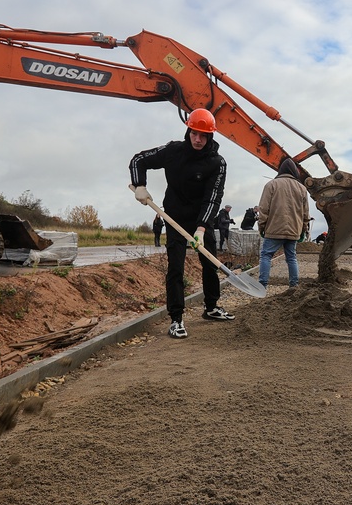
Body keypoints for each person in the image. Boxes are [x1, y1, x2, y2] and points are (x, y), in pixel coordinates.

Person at [129, 107, 235, 339]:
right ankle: (176, 318)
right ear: (188, 131)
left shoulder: (217, 163)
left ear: (210, 136)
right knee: (175, 267)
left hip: (201, 219)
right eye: (194, 133)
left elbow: (213, 197)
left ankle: (211, 307)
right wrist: (140, 185)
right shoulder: (173, 151)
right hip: (174, 216)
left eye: (203, 135)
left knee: (210, 263)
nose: (197, 139)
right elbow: (138, 160)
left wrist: (201, 228)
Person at [258, 158, 309, 289]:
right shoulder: (302, 188)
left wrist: (262, 227)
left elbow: (263, 209)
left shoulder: (271, 185)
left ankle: (262, 286)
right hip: (294, 230)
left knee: (266, 255)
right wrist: (303, 230)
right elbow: (305, 213)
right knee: (291, 257)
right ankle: (294, 286)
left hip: (274, 229)